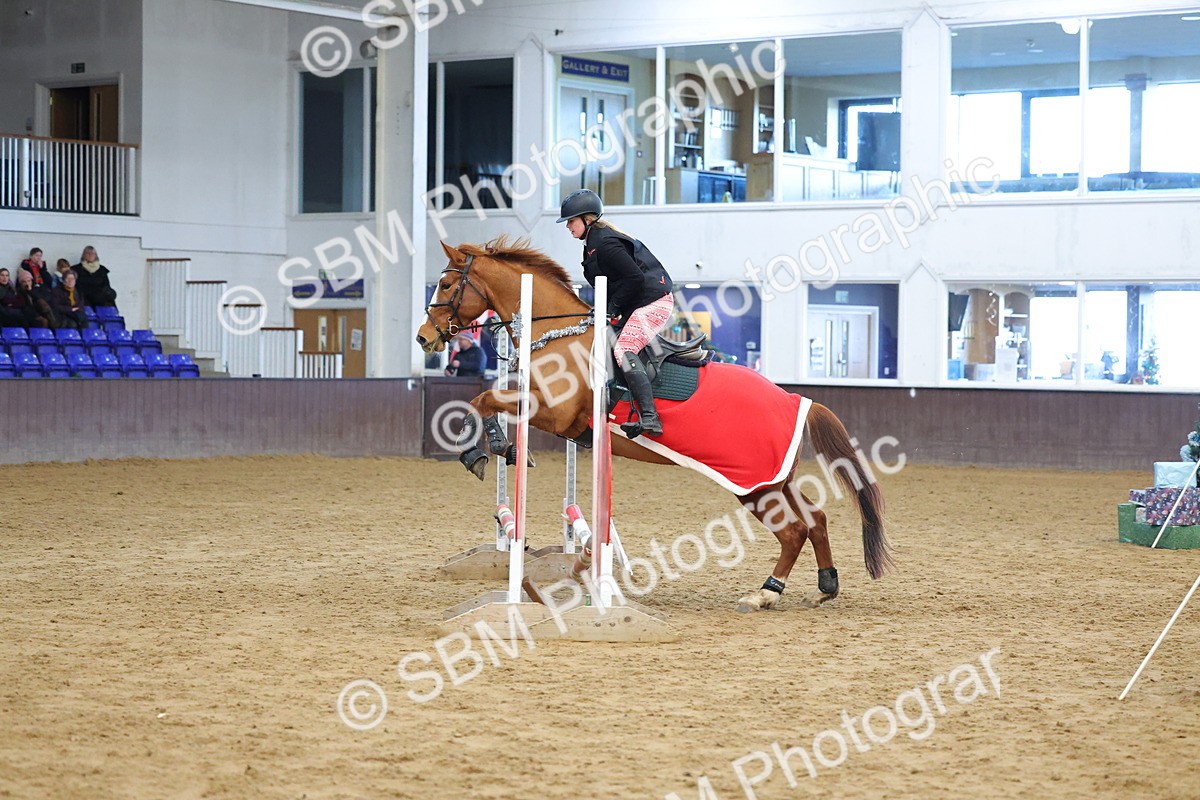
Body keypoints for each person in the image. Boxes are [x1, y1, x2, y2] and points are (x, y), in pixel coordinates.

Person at [557, 188, 673, 437]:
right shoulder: (591, 244)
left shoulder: (605, 243)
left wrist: (612, 309)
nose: (568, 226)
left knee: (623, 348)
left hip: (654, 300)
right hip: (637, 301)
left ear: (587, 219)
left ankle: (651, 417)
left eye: (571, 221)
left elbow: (635, 278)